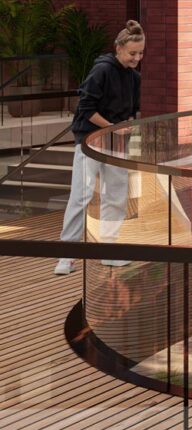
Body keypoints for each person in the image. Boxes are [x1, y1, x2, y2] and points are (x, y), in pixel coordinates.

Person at [55, 20, 144, 275]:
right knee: (80, 196)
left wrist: (127, 124)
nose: (136, 58)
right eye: (132, 53)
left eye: (140, 53)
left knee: (115, 197)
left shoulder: (134, 77)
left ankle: (109, 251)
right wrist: (112, 128)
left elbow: (130, 111)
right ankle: (67, 256)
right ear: (118, 48)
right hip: (90, 142)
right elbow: (86, 109)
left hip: (116, 144)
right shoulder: (102, 71)